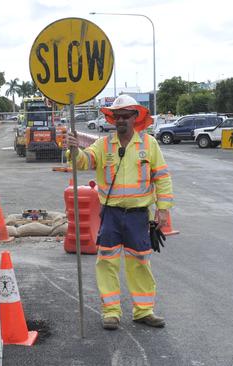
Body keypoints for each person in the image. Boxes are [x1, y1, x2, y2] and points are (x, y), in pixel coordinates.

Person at [65, 95, 174, 330]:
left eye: (126, 115)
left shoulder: (149, 144)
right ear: (112, 119)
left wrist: (163, 209)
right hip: (111, 215)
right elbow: (85, 161)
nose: (121, 120)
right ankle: (111, 312)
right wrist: (74, 151)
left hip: (138, 215)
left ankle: (143, 311)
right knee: (106, 263)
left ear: (136, 117)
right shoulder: (104, 145)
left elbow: (162, 177)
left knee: (140, 263)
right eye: (118, 116)